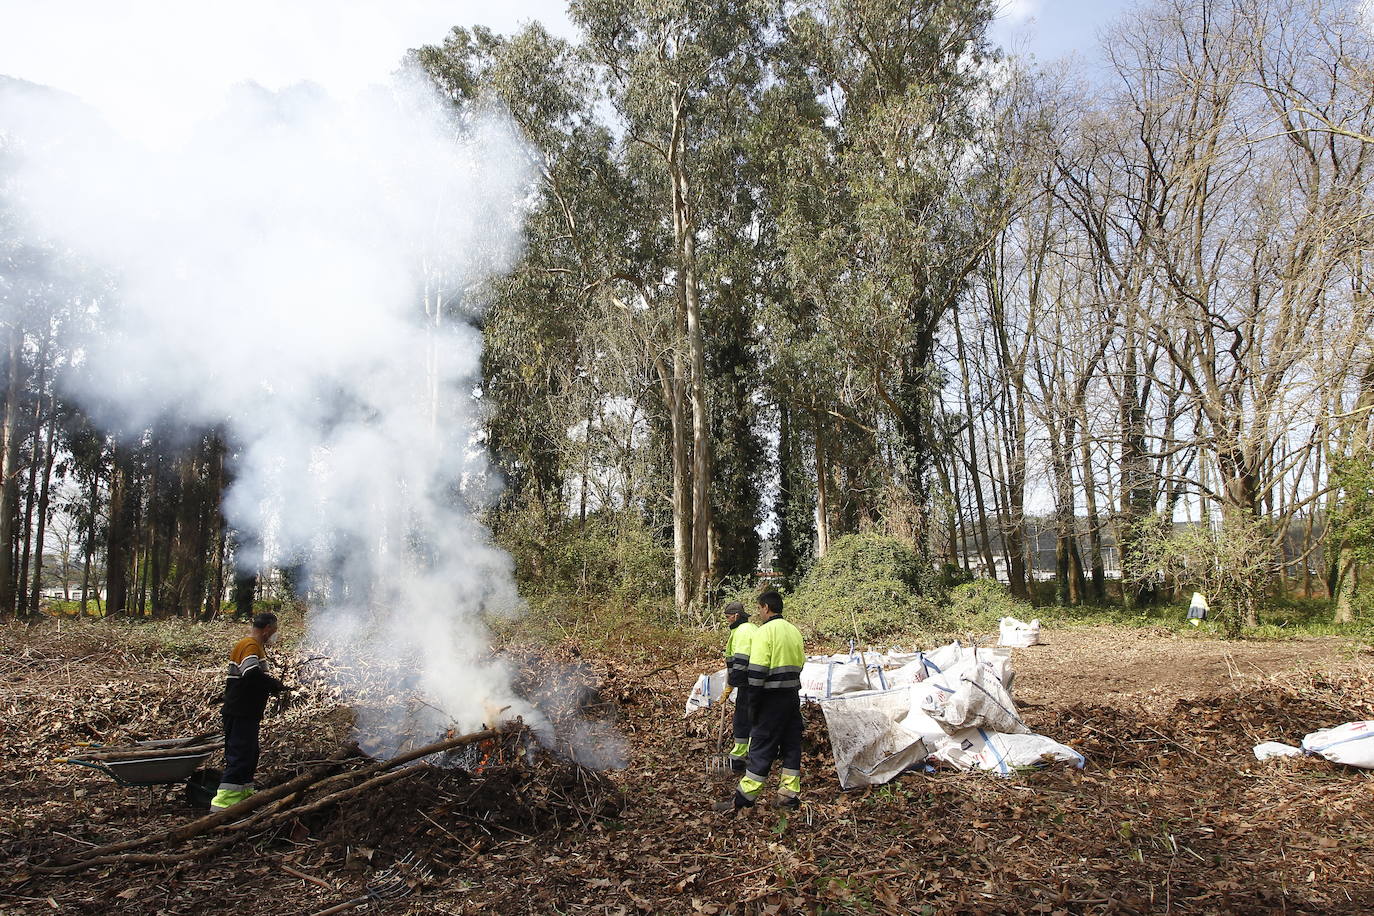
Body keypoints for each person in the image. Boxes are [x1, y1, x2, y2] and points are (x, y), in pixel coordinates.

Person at [716, 591, 805, 814]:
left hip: (770, 699)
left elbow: (756, 672)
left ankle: (743, 800)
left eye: (759, 608)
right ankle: (789, 795)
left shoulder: (765, 632)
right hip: (792, 697)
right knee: (791, 745)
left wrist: (753, 704)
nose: (759, 612)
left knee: (761, 747)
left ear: (765, 607)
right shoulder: (794, 631)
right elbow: (800, 663)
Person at [211, 612, 287, 811]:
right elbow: (250, 673)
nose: (275, 635)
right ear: (268, 628)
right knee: (240, 755)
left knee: (250, 754)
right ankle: (222, 807)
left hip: (247, 712)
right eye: (275, 630)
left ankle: (244, 797)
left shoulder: (254, 646)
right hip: (240, 711)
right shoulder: (250, 645)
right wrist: (273, 684)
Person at [723, 600, 758, 773]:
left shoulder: (744, 631)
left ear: (736, 616)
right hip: (755, 681)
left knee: (742, 720)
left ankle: (739, 759)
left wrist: (733, 682)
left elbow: (741, 661)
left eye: (728, 617)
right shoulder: (748, 629)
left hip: (748, 682)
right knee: (752, 718)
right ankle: (751, 755)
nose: (728, 620)